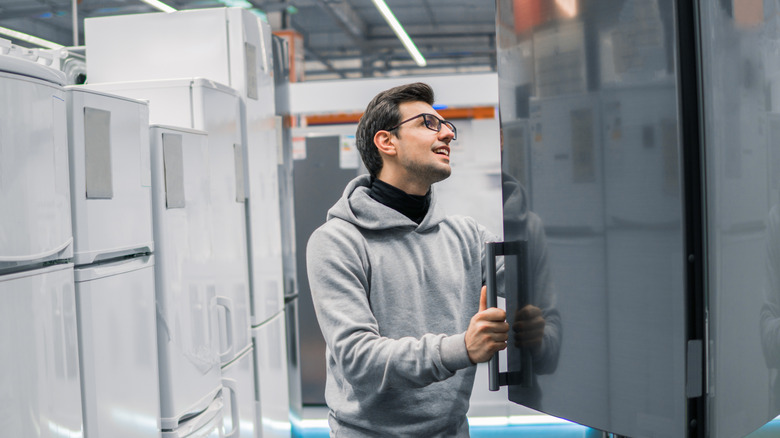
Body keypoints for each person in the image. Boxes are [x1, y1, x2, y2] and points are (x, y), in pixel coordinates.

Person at [305, 82, 510, 436]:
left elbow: (535, 282)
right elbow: (360, 359)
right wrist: (463, 347)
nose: (447, 133)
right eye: (428, 123)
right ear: (387, 142)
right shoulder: (337, 242)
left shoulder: (468, 236)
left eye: (447, 126)